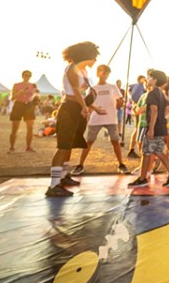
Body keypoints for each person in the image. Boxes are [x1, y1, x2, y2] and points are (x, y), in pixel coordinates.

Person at [46, 41, 99, 197]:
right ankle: (53, 186)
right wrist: (84, 107)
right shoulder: (72, 69)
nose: (95, 60)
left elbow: (81, 94)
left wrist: (90, 106)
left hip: (77, 108)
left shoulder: (83, 71)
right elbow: (74, 92)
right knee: (63, 146)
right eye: (93, 57)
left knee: (69, 145)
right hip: (69, 108)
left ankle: (63, 177)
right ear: (86, 56)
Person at [127, 70, 169, 189]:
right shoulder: (161, 93)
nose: (147, 79)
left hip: (154, 127)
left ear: (155, 80)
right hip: (161, 127)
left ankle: (142, 179)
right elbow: (166, 106)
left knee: (146, 152)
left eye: (149, 77)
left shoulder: (152, 94)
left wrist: (151, 129)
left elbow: (154, 111)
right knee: (157, 151)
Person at [72, 64, 129, 175]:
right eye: (103, 72)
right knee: (89, 142)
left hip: (111, 119)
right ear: (98, 73)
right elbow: (87, 103)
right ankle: (80, 165)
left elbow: (120, 101)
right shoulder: (92, 88)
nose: (105, 75)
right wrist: (95, 108)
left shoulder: (113, 87)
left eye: (107, 73)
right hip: (95, 119)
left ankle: (121, 164)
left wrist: (120, 103)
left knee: (115, 141)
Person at [9, 70, 37, 153]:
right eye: (26, 75)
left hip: (28, 106)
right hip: (18, 105)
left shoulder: (33, 85)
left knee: (30, 128)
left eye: (29, 75)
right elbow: (12, 98)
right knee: (15, 128)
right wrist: (20, 92)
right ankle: (12, 147)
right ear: (22, 76)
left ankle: (28, 147)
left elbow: (34, 96)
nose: (27, 76)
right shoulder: (16, 85)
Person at [126, 75, 146, 158]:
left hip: (138, 109)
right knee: (138, 129)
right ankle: (133, 150)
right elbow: (134, 97)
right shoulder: (139, 86)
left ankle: (132, 149)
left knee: (137, 129)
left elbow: (130, 92)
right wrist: (138, 104)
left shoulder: (136, 86)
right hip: (140, 110)